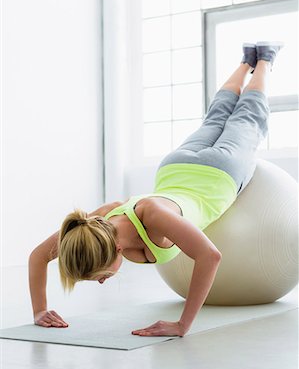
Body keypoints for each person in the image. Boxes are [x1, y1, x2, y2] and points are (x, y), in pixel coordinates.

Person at [29, 41, 283, 337]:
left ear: (118, 249)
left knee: (248, 117)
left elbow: (210, 256)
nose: (102, 282)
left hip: (220, 173)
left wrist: (182, 324)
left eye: (101, 276)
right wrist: (39, 310)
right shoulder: (91, 226)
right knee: (217, 116)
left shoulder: (152, 216)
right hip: (177, 166)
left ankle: (264, 59)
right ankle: (245, 61)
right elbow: (38, 255)